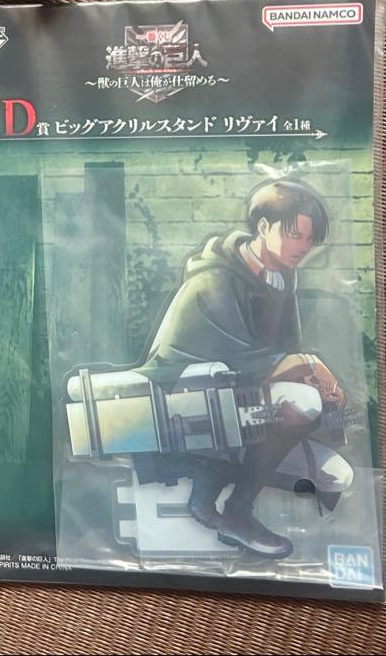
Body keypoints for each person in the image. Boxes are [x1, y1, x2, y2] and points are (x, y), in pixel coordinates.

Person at [141, 179, 351, 558]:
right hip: (185, 406)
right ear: (264, 227)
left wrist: (313, 379)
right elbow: (233, 360)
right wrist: (306, 366)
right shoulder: (214, 278)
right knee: (301, 403)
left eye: (309, 240)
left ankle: (211, 489)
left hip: (242, 406)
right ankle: (236, 510)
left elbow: (284, 355)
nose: (302, 247)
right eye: (294, 235)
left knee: (338, 474)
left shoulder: (281, 279)